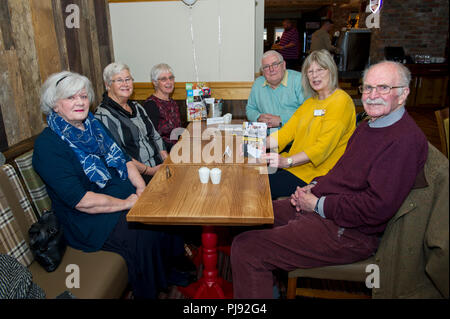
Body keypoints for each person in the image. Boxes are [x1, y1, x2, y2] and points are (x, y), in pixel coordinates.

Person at [231, 60, 428, 298]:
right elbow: (342, 173)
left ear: (403, 94)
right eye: (367, 88)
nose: (372, 95)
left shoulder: (403, 140)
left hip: (351, 232)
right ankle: (263, 285)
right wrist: (312, 188)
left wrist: (317, 204)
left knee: (247, 248)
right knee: (254, 215)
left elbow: (377, 208)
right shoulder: (368, 126)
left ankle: (260, 279)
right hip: (327, 208)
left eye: (383, 88)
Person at [33, 71, 189, 299]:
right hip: (87, 218)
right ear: (54, 105)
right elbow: (82, 201)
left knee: (162, 208)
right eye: (70, 97)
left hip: (118, 193)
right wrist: (128, 203)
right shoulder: (48, 146)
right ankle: (151, 291)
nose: (79, 102)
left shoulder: (94, 126)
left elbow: (124, 158)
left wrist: (142, 189)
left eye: (83, 96)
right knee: (142, 231)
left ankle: (170, 273)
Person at [262, 49, 356, 199]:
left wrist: (287, 161)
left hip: (316, 174)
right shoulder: (310, 103)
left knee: (258, 187)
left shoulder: (341, 101)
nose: (315, 75)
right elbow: (286, 133)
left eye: (320, 69)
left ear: (331, 71)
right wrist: (255, 144)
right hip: (295, 167)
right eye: (310, 71)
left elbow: (322, 148)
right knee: (252, 177)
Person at [95, 62, 168, 184]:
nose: (125, 84)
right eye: (119, 80)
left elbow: (154, 135)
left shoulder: (136, 106)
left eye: (128, 79)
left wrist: (166, 160)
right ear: (108, 85)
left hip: (158, 167)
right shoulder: (103, 115)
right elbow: (119, 155)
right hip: (137, 177)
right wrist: (149, 171)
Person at [246, 50, 306, 131]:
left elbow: (307, 110)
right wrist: (258, 118)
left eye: (275, 64)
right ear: (263, 71)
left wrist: (281, 119)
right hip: (266, 139)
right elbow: (250, 108)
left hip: (294, 139)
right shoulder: (258, 83)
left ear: (283, 65)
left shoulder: (299, 80)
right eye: (266, 67)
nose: (271, 69)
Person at [143, 63, 182, 152]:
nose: (169, 82)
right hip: (163, 153)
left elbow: (178, 131)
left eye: (171, 78)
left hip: (178, 149)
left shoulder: (173, 103)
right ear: (155, 82)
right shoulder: (151, 105)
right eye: (164, 79)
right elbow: (151, 138)